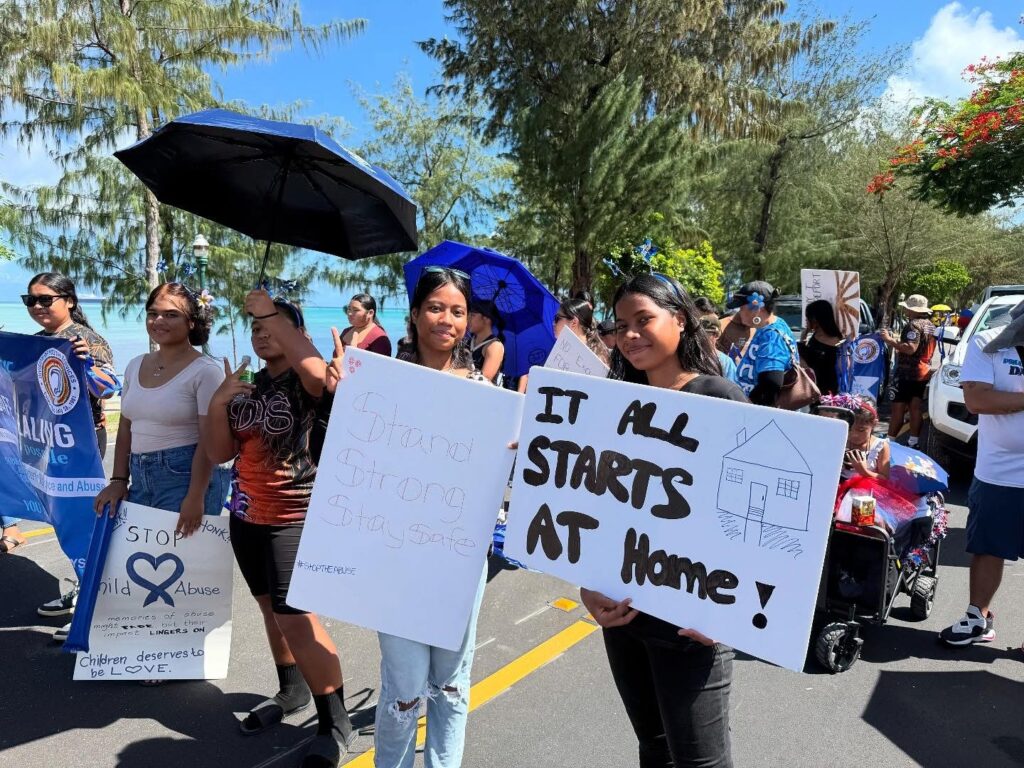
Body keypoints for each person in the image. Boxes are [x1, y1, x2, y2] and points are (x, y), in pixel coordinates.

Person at [585, 273, 745, 768]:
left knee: (701, 762)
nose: (630, 334)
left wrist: (730, 613)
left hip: (694, 618)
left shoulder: (717, 396)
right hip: (624, 615)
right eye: (621, 326)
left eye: (643, 320)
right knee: (653, 748)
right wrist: (588, 584)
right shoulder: (614, 403)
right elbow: (595, 504)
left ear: (679, 320)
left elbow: (751, 515)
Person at [204, 292, 353, 766]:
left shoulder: (310, 380)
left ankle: (335, 722)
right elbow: (219, 453)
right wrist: (219, 401)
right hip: (245, 516)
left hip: (295, 517)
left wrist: (269, 310)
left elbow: (316, 374)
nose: (262, 332)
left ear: (295, 332)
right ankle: (292, 691)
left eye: (272, 325)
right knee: (269, 609)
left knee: (297, 618)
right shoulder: (247, 385)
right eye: (256, 327)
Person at [376, 267, 492, 768]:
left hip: (459, 557)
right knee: (403, 689)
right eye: (436, 307)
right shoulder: (381, 381)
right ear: (416, 313)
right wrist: (340, 397)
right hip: (394, 556)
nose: (447, 319)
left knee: (450, 683)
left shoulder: (487, 392)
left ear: (468, 321)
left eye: (458, 311)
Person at [93, 283, 230, 535]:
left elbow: (208, 440)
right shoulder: (135, 365)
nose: (158, 321)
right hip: (140, 476)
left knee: (181, 555)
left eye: (171, 315)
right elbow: (126, 426)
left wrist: (195, 496)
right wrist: (119, 480)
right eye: (152, 313)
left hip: (185, 477)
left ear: (191, 322)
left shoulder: (206, 371)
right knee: (139, 556)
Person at [24, 273, 117, 639]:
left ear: (70, 301)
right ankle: (84, 589)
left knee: (81, 525)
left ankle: (96, 610)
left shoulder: (85, 340)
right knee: (64, 522)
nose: (37, 307)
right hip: (47, 439)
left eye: (45, 299)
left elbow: (109, 388)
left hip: (80, 443)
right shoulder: (36, 342)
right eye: (30, 300)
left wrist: (86, 364)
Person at [939, 299, 1024, 648]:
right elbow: (978, 401)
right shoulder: (988, 342)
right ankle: (978, 618)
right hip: (998, 472)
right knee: (989, 547)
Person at [517, 291, 607, 394]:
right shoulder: (556, 351)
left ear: (574, 322)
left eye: (557, 318)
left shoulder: (599, 361)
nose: (553, 323)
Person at [728, 281, 796, 408]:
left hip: (758, 411)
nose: (739, 312)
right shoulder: (775, 325)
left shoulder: (771, 336)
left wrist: (749, 407)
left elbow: (771, 383)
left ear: (757, 308)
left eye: (741, 308)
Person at [880, 294, 936, 448]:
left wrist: (889, 340)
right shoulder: (930, 325)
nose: (906, 311)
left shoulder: (913, 326)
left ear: (913, 310)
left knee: (898, 408)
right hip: (923, 372)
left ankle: (890, 441)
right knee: (915, 408)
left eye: (907, 308)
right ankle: (913, 441)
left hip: (907, 373)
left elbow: (911, 348)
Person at [817, 394, 890, 481]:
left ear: (874, 424)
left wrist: (863, 471)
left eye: (861, 430)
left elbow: (884, 478)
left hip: (866, 487)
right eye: (850, 429)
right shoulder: (840, 440)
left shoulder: (880, 446)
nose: (855, 434)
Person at [799, 299, 844, 396]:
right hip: (812, 388)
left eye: (807, 317)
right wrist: (804, 338)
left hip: (827, 391)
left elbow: (810, 361)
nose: (806, 320)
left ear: (815, 319)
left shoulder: (837, 342)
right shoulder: (816, 335)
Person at [467, 298, 505, 384]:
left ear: (486, 319)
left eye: (472, 315)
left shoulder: (494, 346)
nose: (468, 319)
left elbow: (484, 380)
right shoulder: (468, 341)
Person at [700, 316, 737, 382]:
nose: (700, 337)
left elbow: (732, 386)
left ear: (716, 335)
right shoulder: (689, 357)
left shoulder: (726, 362)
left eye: (705, 334)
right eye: (698, 334)